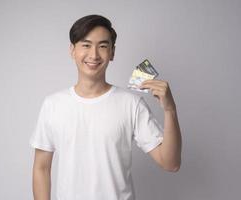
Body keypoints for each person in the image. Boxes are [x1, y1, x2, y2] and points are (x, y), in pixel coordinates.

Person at [29, 14, 182, 200]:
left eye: (102, 46)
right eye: (86, 45)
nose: (93, 55)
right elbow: (41, 168)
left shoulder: (131, 104)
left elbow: (170, 163)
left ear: (112, 52)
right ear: (72, 50)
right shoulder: (53, 104)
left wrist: (170, 111)